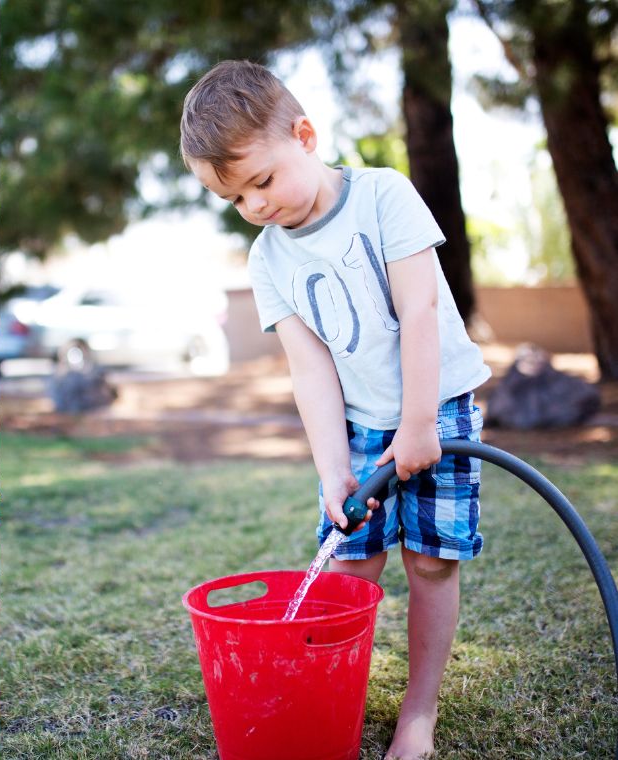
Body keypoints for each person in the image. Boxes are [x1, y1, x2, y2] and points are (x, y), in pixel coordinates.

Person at [179, 60, 490, 760]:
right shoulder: (267, 260)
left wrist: (418, 422)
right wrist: (332, 470)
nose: (255, 206)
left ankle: (418, 713)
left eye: (261, 181)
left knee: (430, 564)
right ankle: (328, 691)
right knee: (348, 568)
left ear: (304, 135)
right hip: (356, 425)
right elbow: (310, 368)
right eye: (234, 198)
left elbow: (419, 310)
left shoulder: (383, 195)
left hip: (437, 405)